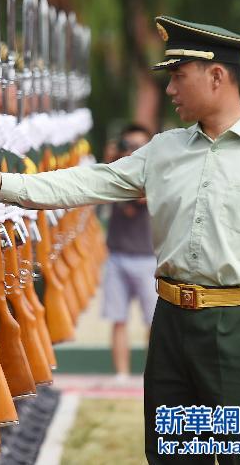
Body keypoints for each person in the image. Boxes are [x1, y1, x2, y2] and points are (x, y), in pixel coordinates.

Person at [0, 15, 240, 465]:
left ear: (217, 76)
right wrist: (3, 184)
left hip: (239, 327)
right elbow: (90, 183)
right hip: (171, 324)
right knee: (169, 454)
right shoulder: (164, 150)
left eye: (178, 76)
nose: (170, 89)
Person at [101, 123, 158, 382]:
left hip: (148, 258)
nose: (133, 151)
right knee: (118, 319)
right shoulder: (112, 173)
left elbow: (139, 201)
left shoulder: (156, 175)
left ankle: (154, 375)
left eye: (140, 147)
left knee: (154, 323)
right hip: (117, 256)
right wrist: (110, 163)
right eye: (129, 146)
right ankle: (121, 373)